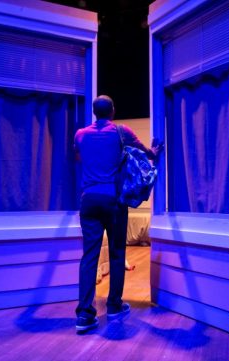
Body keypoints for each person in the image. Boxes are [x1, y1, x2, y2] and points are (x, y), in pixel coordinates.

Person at [73, 95, 163, 333]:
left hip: (89, 200)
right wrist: (154, 151)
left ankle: (84, 316)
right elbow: (146, 154)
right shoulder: (121, 132)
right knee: (116, 252)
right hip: (113, 200)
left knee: (89, 256)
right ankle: (113, 305)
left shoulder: (80, 134)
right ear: (112, 111)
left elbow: (77, 157)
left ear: (94, 112)